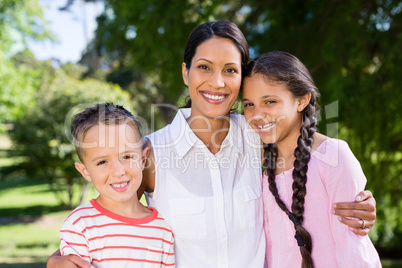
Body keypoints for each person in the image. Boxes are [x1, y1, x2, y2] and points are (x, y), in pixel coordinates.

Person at [47, 20, 376, 268]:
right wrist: (59, 257)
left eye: (230, 70)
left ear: (241, 80)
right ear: (186, 73)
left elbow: (313, 149)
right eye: (204, 67)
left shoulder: (258, 137)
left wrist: (353, 192)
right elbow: (106, 212)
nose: (217, 82)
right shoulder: (150, 154)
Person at [242, 51, 381, 267]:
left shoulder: (333, 156)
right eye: (249, 104)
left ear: (302, 100)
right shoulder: (263, 168)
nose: (256, 114)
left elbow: (353, 251)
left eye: (270, 101)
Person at [59, 103, 175, 267]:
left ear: (143, 159)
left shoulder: (162, 230)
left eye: (126, 157)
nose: (118, 171)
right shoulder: (80, 225)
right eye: (102, 162)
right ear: (85, 171)